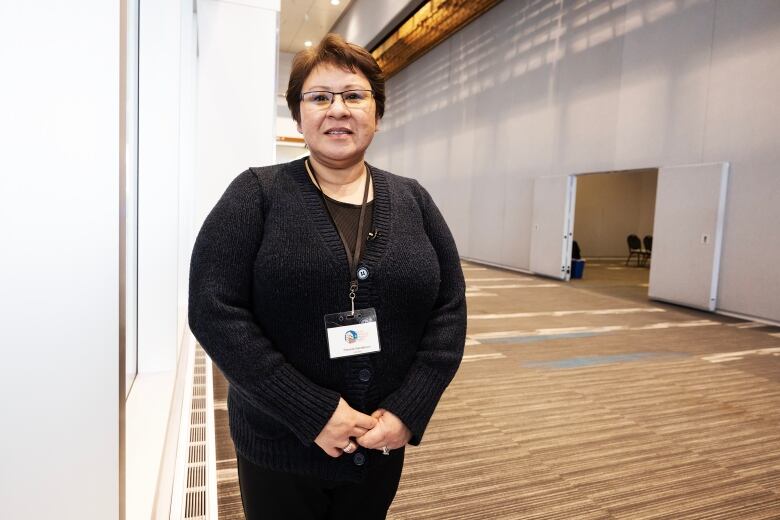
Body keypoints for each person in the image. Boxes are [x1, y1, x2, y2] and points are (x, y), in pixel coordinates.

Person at [188, 33, 466, 520]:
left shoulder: (413, 199)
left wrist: (409, 409)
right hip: (280, 443)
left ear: (377, 113)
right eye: (319, 97)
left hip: (380, 439)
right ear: (299, 116)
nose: (338, 109)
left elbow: (448, 310)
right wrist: (311, 411)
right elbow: (213, 311)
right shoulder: (256, 194)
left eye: (354, 96)